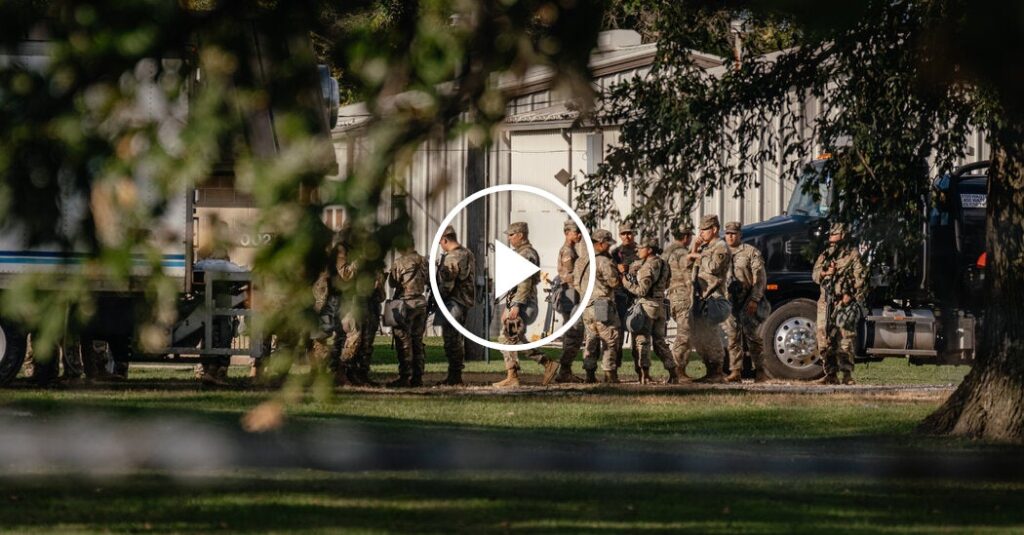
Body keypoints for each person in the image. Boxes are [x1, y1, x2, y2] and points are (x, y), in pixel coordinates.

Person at [494, 222, 559, 388]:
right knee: (513, 338)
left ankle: (515, 375)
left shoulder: (526, 253)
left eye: (511, 235)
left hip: (524, 304)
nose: (509, 239)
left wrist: (515, 305)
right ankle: (544, 364)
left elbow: (524, 282)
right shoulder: (522, 253)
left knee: (507, 338)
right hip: (520, 302)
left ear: (520, 235)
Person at [812, 222, 867, 385]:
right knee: (823, 339)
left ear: (843, 236)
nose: (831, 237)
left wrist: (849, 295)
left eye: (834, 234)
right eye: (830, 235)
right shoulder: (825, 254)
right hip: (825, 303)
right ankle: (830, 374)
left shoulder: (852, 254)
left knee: (845, 341)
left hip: (844, 304)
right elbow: (814, 275)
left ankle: (847, 375)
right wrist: (824, 272)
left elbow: (861, 278)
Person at [621, 236, 679, 384]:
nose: (638, 251)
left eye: (641, 248)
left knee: (641, 341)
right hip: (660, 306)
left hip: (646, 307)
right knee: (660, 342)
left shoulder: (648, 267)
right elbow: (666, 283)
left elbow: (641, 290)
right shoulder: (664, 263)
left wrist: (626, 283)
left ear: (649, 250)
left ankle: (644, 375)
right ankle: (673, 372)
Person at [722, 221, 769, 383]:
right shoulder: (721, 252)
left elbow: (760, 277)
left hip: (747, 299)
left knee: (752, 337)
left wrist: (755, 299)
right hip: (729, 301)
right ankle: (735, 371)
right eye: (728, 233)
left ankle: (761, 371)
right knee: (733, 337)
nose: (730, 236)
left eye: (734, 233)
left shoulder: (750, 252)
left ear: (740, 235)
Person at [688, 215, 731, 382]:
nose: (701, 233)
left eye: (704, 230)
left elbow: (713, 267)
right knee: (700, 336)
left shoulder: (720, 248)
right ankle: (710, 370)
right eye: (700, 230)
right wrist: (695, 249)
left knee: (711, 335)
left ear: (714, 230)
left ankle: (717, 372)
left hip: (714, 297)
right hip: (701, 297)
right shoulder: (705, 249)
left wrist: (697, 255)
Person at [576, 229, 622, 383]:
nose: (609, 247)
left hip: (586, 304)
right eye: (607, 244)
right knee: (610, 339)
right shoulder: (604, 261)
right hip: (602, 303)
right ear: (600, 244)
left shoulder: (581, 261)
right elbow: (614, 282)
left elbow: (576, 283)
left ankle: (589, 374)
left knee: (591, 339)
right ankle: (610, 374)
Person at [436, 225, 476, 386]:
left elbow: (448, 284)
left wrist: (438, 297)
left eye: (441, 242)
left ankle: (454, 376)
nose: (440, 245)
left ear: (445, 240)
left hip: (454, 303)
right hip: (464, 301)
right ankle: (455, 375)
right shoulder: (467, 253)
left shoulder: (452, 257)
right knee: (456, 338)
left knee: (451, 339)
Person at [387, 245, 429, 387]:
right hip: (421, 303)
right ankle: (418, 377)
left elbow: (392, 283)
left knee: (403, 340)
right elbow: (430, 280)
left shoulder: (400, 262)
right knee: (417, 341)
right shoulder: (424, 261)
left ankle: (405, 377)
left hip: (405, 304)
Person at [554, 219, 585, 383]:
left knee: (573, 334)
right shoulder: (568, 251)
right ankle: (564, 370)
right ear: (567, 233)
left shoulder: (572, 249)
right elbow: (567, 275)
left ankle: (565, 370)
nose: (578, 234)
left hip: (573, 294)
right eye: (575, 231)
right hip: (571, 294)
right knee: (574, 333)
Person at [665, 222, 696, 380]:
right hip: (683, 295)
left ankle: (677, 370)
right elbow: (688, 275)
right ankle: (677, 370)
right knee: (685, 334)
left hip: (672, 295)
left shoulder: (668, 251)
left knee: (684, 332)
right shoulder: (682, 252)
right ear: (686, 237)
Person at [610, 222, 640, 374]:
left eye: (629, 233)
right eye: (623, 234)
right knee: (617, 334)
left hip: (637, 296)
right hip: (620, 297)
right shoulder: (615, 253)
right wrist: (617, 268)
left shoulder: (641, 251)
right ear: (619, 235)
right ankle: (614, 368)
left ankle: (641, 370)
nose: (626, 236)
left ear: (633, 234)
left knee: (639, 335)